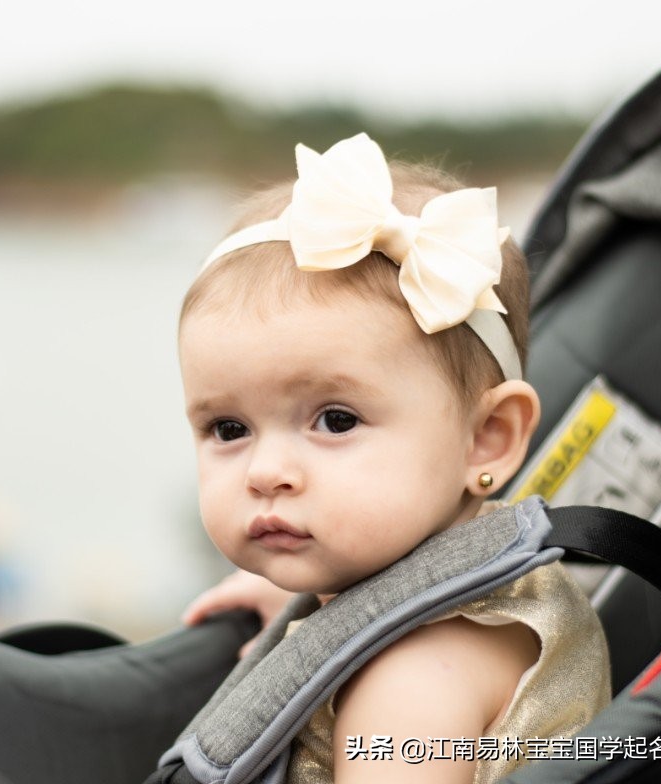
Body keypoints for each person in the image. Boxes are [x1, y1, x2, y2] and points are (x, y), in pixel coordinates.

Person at [174, 133, 610, 783]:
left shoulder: (412, 687)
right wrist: (313, 610)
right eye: (229, 427)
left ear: (487, 437)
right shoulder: (490, 576)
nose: (266, 473)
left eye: (337, 420)